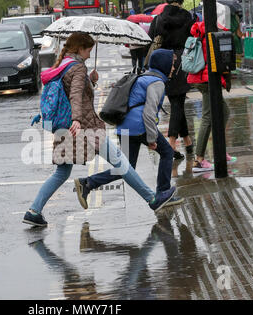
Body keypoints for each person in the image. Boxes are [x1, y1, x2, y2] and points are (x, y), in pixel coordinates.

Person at [22, 32, 177, 228]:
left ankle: (34, 211)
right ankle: (152, 199)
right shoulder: (77, 67)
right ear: (80, 49)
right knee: (122, 164)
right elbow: (76, 95)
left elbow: (61, 95)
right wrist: (77, 119)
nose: (89, 55)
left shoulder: (63, 65)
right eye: (88, 50)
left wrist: (91, 81)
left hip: (67, 126)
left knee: (62, 172)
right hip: (85, 127)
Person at [75, 49, 184, 209]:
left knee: (127, 168)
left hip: (124, 125)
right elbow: (148, 113)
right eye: (172, 65)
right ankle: (162, 192)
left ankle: (88, 183)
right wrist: (151, 139)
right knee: (167, 152)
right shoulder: (157, 83)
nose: (174, 68)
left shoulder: (144, 77)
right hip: (139, 127)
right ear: (164, 65)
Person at [186, 21, 236, 173]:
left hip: (199, 77)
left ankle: (219, 150)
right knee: (208, 117)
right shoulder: (214, 35)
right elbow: (223, 58)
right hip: (207, 80)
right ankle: (199, 159)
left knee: (224, 112)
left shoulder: (199, 33)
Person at [148, 0, 195, 160]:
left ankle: (188, 142)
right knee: (177, 102)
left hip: (165, 61)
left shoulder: (159, 18)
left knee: (177, 100)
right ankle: (171, 143)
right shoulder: (188, 17)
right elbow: (193, 39)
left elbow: (150, 39)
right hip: (183, 61)